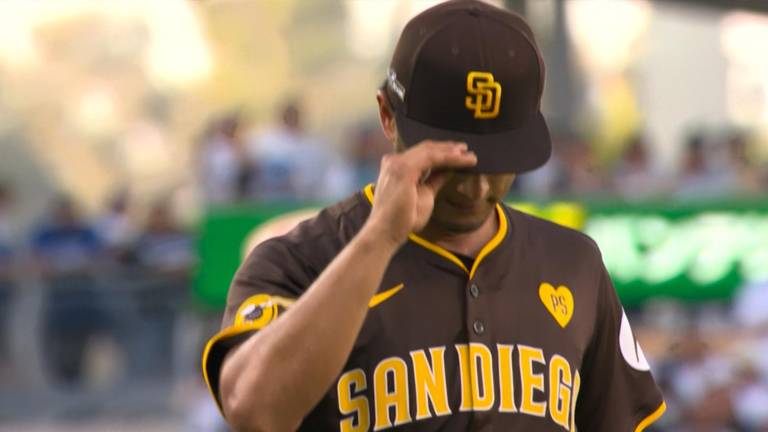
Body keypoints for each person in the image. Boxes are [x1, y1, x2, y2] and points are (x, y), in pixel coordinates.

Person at [202, 1, 665, 431]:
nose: (476, 188)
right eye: (452, 162)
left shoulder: (573, 263)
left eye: (498, 160)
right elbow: (252, 409)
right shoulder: (300, 259)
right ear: (387, 115)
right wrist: (378, 240)